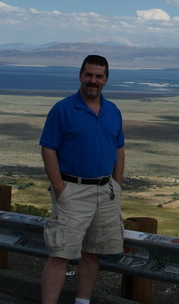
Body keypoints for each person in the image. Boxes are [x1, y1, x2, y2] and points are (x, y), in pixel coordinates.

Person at [39, 54, 125, 304]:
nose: (93, 80)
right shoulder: (63, 109)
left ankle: (82, 302)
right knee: (60, 255)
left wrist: (117, 185)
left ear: (106, 80)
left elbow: (119, 148)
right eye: (89, 75)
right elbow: (48, 148)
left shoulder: (112, 110)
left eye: (99, 76)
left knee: (93, 253)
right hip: (72, 190)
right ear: (80, 76)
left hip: (105, 190)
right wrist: (59, 188)